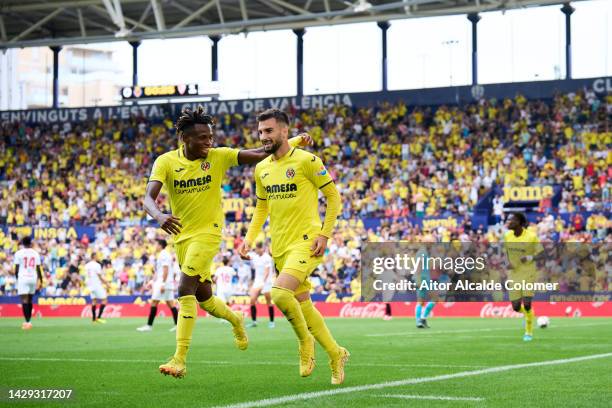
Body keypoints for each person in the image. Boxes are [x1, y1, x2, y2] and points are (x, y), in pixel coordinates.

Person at [144, 106, 312, 378]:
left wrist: (293, 141)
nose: (209, 142)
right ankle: (236, 319)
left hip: (208, 234)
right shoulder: (165, 162)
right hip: (181, 238)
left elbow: (260, 154)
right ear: (184, 139)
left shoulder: (218, 156)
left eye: (210, 137)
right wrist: (159, 215)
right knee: (204, 297)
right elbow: (148, 198)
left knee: (184, 288)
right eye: (202, 138)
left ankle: (179, 359)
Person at [238, 109, 349, 385]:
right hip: (280, 248)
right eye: (261, 131)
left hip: (306, 243)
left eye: (269, 131)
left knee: (278, 293)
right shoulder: (261, 168)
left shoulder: (307, 161)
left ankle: (305, 343)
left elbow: (333, 198)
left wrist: (324, 234)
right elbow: (261, 208)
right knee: (304, 305)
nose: (263, 136)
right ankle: (336, 354)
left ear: (284, 131)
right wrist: (249, 240)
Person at [504, 213, 544, 341]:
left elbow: (542, 254)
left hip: (528, 273)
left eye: (511, 219)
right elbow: (507, 253)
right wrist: (508, 263)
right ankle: (529, 315)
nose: (508, 221)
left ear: (519, 222)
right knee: (516, 307)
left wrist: (529, 257)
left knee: (527, 303)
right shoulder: (507, 236)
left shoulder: (531, 236)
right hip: (513, 275)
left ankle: (528, 332)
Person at [137, 239, 179, 332]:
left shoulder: (164, 255)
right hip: (165, 282)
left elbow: (165, 270)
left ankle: (149, 326)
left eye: (156, 244)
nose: (155, 246)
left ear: (160, 245)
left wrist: (163, 284)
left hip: (164, 283)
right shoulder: (163, 254)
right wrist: (152, 281)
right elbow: (159, 271)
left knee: (154, 302)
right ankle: (178, 326)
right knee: (170, 304)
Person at [13, 236, 43, 330]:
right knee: (30, 299)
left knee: (24, 300)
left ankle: (27, 322)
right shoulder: (35, 253)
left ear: (22, 243)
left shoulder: (18, 253)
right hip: (33, 278)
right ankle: (29, 320)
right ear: (31, 243)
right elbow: (38, 269)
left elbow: (16, 268)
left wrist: (17, 278)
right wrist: (40, 280)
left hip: (23, 277)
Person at [247, 242, 275, 328]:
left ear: (263, 248)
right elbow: (246, 256)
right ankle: (254, 322)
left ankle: (271, 322)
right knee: (252, 300)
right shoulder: (254, 256)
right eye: (257, 248)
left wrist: (263, 282)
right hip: (257, 281)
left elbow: (267, 271)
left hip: (267, 282)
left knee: (268, 302)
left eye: (260, 248)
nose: (258, 250)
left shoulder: (267, 258)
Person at [85, 254, 108, 324]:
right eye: (97, 256)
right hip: (96, 284)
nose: (98, 257)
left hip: (90, 285)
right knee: (104, 300)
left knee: (94, 301)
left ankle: (94, 319)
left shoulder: (87, 265)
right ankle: (99, 318)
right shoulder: (96, 265)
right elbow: (99, 276)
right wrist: (107, 283)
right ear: (94, 257)